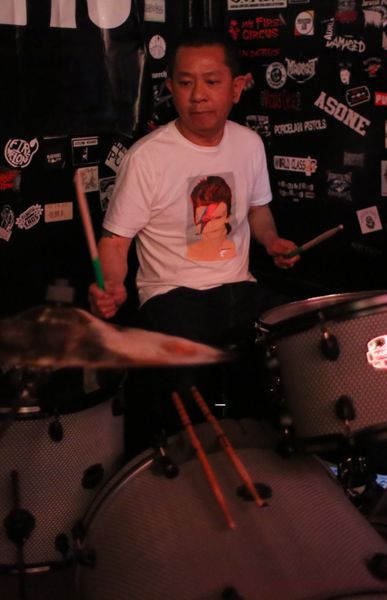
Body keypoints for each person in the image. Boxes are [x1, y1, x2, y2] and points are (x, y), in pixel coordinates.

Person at [89, 29, 299, 455]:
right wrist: (113, 285)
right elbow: (114, 242)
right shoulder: (147, 157)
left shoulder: (249, 144)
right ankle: (185, 467)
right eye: (185, 82)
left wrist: (272, 240)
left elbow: (258, 211)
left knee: (298, 340)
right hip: (172, 295)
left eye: (212, 81)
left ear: (236, 87)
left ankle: (270, 460)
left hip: (239, 288)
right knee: (186, 378)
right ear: (170, 88)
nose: (198, 95)